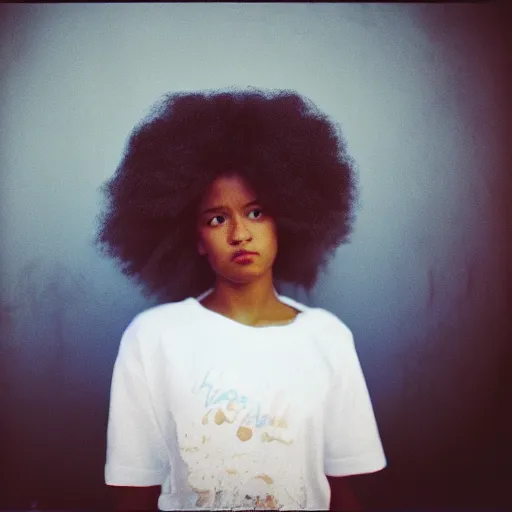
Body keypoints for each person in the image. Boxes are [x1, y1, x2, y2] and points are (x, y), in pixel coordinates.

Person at [95, 88, 387, 511]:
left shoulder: (327, 338)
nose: (240, 234)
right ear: (195, 238)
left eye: (256, 212)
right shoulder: (153, 337)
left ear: (286, 217)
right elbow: (134, 493)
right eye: (217, 218)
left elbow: (338, 491)